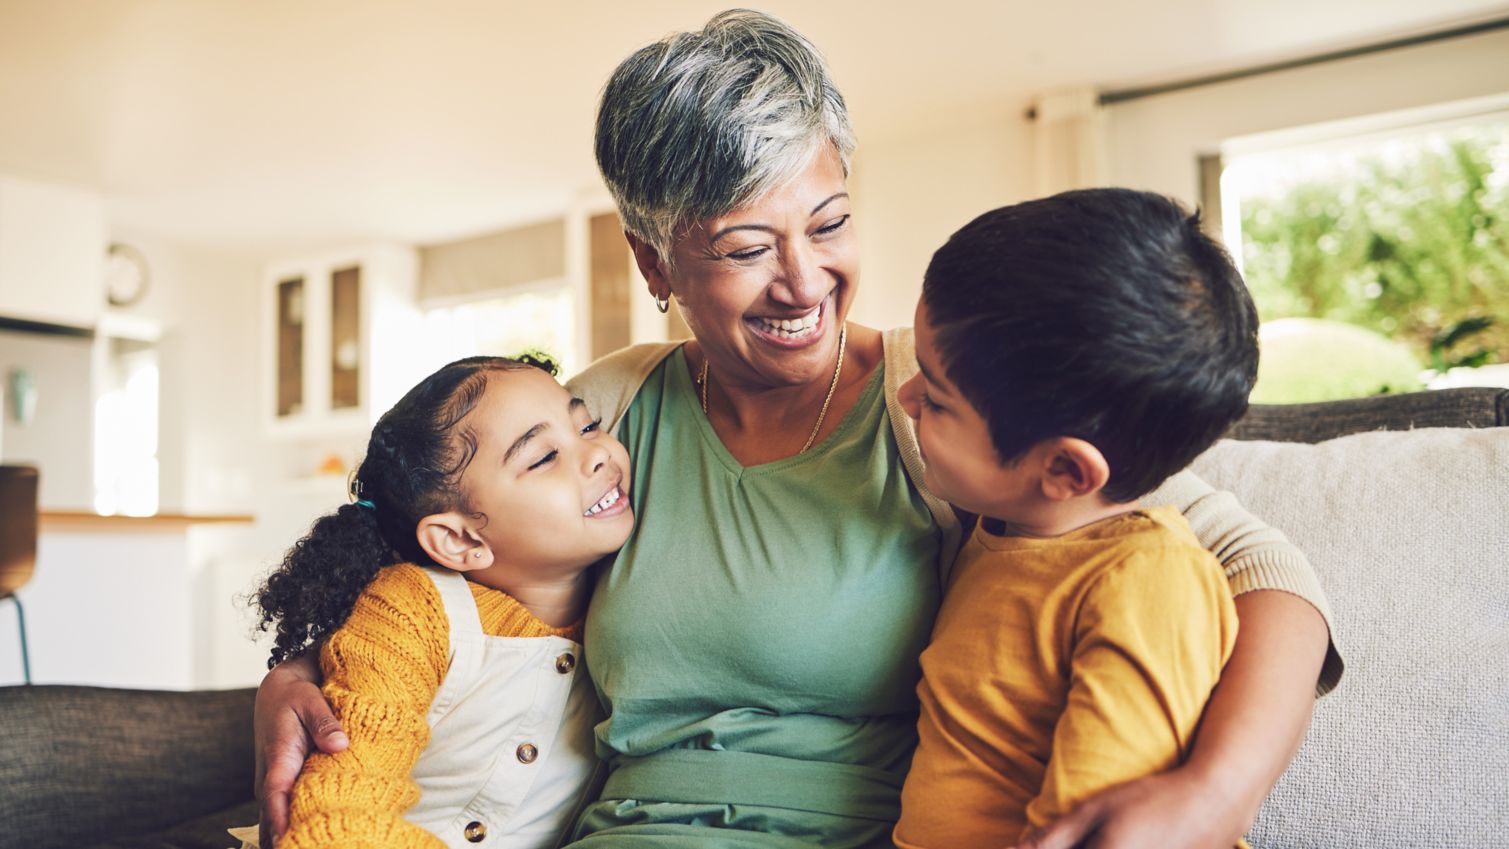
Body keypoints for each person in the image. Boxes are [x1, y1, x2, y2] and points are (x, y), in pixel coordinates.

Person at [253, 10, 1342, 849]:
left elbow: (1258, 565)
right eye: (742, 247)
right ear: (654, 264)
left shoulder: (945, 408)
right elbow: (436, 546)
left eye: (827, 224)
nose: (802, 280)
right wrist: (300, 675)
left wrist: (1210, 796)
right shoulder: (609, 413)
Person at [892, 189, 1264, 848]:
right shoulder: (998, 531)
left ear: (1064, 471)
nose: (905, 396)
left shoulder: (1145, 580)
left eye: (938, 401)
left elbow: (1091, 830)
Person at [241, 354, 634, 849]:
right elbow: (344, 807)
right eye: (543, 458)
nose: (597, 454)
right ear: (459, 539)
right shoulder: (412, 609)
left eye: (588, 426)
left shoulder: (630, 595)